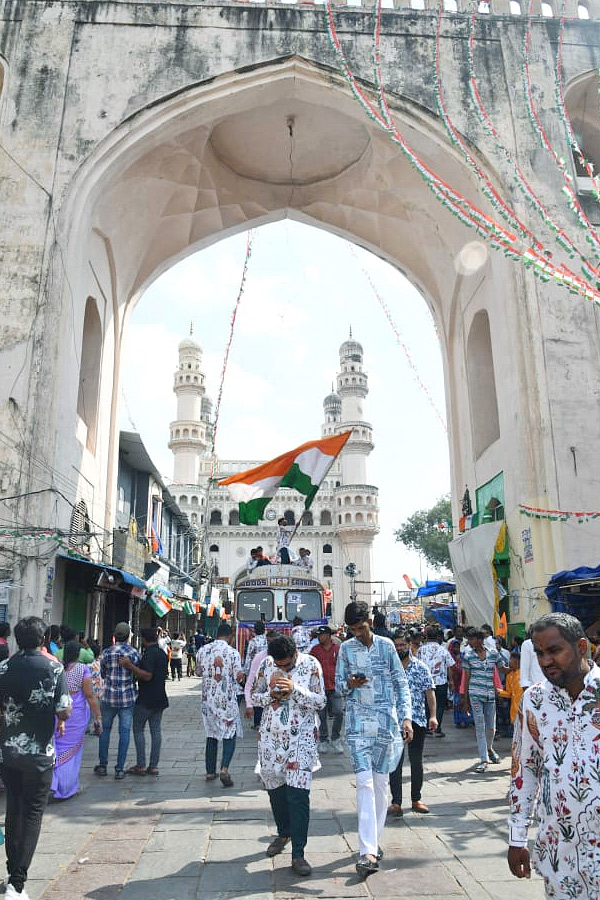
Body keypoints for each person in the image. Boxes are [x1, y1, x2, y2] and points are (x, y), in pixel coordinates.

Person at [508, 613, 600, 899]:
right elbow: (525, 769)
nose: (546, 661)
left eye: (554, 650)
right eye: (539, 653)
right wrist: (517, 837)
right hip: (559, 852)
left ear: (581, 647)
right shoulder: (534, 701)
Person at [335, 601, 412, 876]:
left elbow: (400, 682)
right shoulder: (346, 649)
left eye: (362, 627)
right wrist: (350, 684)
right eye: (354, 630)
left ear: (370, 620)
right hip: (357, 724)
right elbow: (339, 686)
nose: (359, 633)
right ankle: (367, 850)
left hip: (385, 724)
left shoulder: (387, 646)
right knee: (364, 784)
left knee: (380, 785)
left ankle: (373, 842)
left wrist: (406, 717)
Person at [0, 616, 72, 900]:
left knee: (13, 809)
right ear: (43, 639)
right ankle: (17, 883)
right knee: (31, 814)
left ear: (17, 639)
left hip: (7, 752)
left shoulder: (3, 668)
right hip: (40, 755)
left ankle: (12, 873)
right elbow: (65, 710)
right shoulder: (54, 668)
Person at [250, 634, 325, 877]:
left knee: (298, 796)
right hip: (271, 740)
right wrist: (271, 695)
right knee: (276, 792)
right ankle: (283, 832)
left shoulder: (312, 664)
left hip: (301, 740)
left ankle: (298, 853)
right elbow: (253, 695)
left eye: (286, 664)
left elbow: (320, 701)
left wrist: (295, 690)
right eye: (279, 664)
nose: (282, 668)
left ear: (295, 653)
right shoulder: (266, 664)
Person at [388, 631, 437, 817]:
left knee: (416, 761)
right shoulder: (389, 667)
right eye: (397, 645)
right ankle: (396, 802)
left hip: (417, 719)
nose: (399, 648)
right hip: (395, 720)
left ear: (409, 645)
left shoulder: (421, 667)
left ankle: (416, 798)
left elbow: (429, 692)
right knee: (395, 762)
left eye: (402, 644)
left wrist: (433, 716)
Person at [51, 640, 101, 800]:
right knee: (71, 751)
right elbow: (89, 695)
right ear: (78, 654)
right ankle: (65, 788)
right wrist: (98, 715)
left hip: (58, 713)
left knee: (57, 747)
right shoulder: (82, 669)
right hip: (76, 714)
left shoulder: (57, 668)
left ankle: (52, 784)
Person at [196, 623, 244, 787]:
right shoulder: (233, 653)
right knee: (229, 734)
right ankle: (224, 768)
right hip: (227, 700)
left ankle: (210, 771)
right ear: (230, 635)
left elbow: (198, 672)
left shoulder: (203, 650)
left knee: (211, 734)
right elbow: (238, 676)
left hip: (207, 700)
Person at [120, 627, 169, 777]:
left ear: (145, 640)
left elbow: (147, 675)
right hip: (160, 697)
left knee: (138, 729)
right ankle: (153, 766)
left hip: (146, 698)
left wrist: (130, 666)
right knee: (156, 731)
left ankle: (141, 764)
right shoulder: (162, 653)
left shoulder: (148, 654)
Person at [95, 622, 141, 780]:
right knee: (124, 732)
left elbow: (103, 673)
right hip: (127, 698)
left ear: (114, 635)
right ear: (129, 636)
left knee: (105, 730)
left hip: (108, 697)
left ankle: (102, 765)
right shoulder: (134, 653)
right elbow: (137, 672)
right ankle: (119, 768)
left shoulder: (106, 653)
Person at [461, 628, 501, 773]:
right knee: (479, 725)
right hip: (475, 694)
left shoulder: (494, 654)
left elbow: (502, 669)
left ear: (479, 640)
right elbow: (467, 678)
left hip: (490, 695)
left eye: (471, 639)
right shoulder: (468, 656)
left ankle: (489, 748)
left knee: (491, 727)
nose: (469, 642)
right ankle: (484, 759)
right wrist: (465, 700)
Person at [310, 625, 344, 754]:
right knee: (322, 715)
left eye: (322, 635)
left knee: (339, 712)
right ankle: (323, 740)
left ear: (329, 635)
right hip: (320, 689)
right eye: (318, 635)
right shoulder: (314, 650)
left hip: (335, 686)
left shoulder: (338, 649)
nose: (319, 637)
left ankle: (336, 737)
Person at [417, 625, 455, 737]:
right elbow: (450, 666)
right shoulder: (443, 650)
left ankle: (429, 728)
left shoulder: (421, 650)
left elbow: (417, 665)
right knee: (439, 706)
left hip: (426, 683)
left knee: (426, 704)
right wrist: (451, 681)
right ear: (438, 637)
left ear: (426, 636)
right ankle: (437, 729)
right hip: (441, 682)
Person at [244, 630, 278, 727]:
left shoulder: (285, 656)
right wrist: (249, 704)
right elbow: (250, 683)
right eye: (268, 642)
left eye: (273, 642)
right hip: (263, 700)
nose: (271, 645)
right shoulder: (260, 657)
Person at [496, 651, 523, 737]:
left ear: (517, 662)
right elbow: (509, 693)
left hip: (523, 707)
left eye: (512, 660)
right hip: (514, 709)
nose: (509, 662)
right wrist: (499, 692)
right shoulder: (509, 676)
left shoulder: (523, 674)